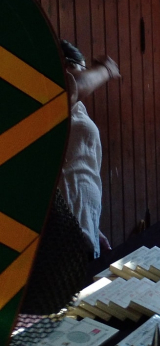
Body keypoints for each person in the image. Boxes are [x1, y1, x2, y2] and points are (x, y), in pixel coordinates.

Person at [60, 41, 119, 258]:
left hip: (82, 226)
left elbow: (81, 164)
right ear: (66, 66)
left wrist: (93, 226)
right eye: (82, 70)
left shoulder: (78, 108)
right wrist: (105, 69)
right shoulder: (49, 98)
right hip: (62, 231)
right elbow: (70, 88)